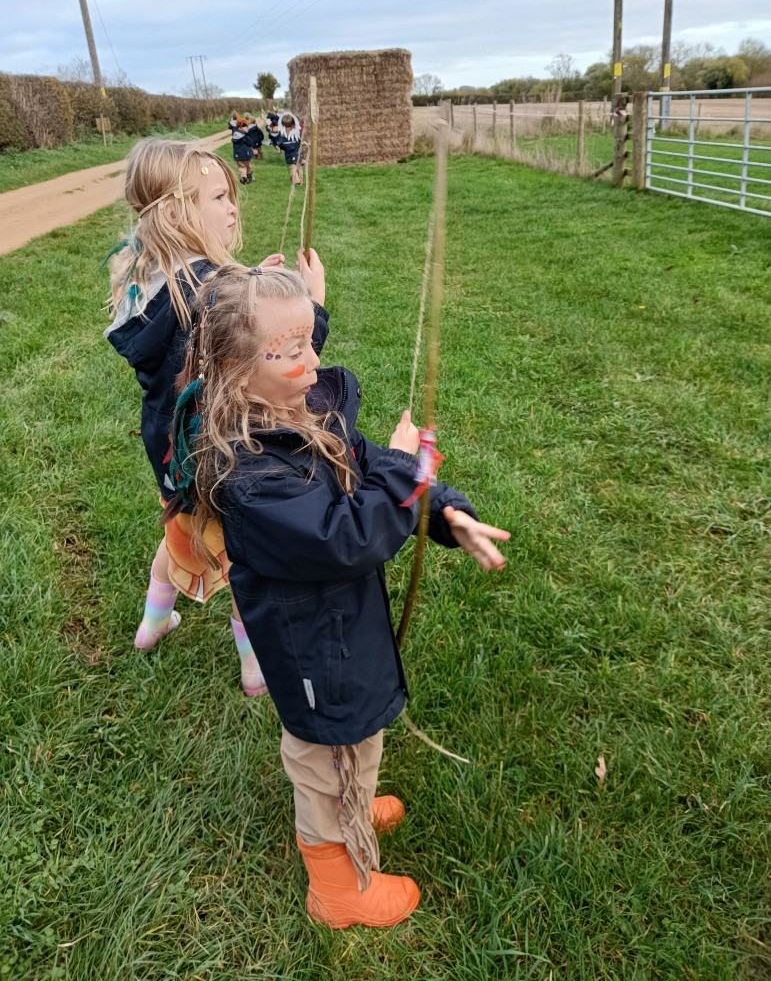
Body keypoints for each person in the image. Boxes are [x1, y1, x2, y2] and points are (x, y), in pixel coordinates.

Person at [170, 264, 510, 928]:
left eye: (309, 342)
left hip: (338, 632)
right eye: (292, 349)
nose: (313, 357)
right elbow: (342, 537)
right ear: (239, 369)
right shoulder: (248, 472)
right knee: (326, 757)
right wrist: (403, 482)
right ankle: (337, 887)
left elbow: (370, 464)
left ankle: (353, 804)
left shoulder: (301, 409)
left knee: (353, 747)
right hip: (312, 652)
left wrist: (439, 508)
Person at [104, 138, 328, 697]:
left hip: (172, 453)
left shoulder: (150, 277)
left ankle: (155, 620)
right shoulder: (218, 292)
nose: (234, 208)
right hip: (226, 449)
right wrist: (313, 307)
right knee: (244, 559)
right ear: (180, 212)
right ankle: (256, 667)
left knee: (180, 530)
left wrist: (248, 277)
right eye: (221, 197)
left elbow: (194, 312)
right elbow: (277, 360)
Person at [227, 110, 262, 184]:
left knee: (242, 167)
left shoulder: (235, 136)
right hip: (246, 155)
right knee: (249, 166)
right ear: (241, 128)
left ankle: (243, 177)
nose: (248, 129)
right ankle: (249, 177)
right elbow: (250, 143)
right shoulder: (245, 137)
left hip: (238, 155)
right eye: (246, 127)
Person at [277, 111, 303, 186]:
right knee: (297, 166)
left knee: (293, 166)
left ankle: (297, 180)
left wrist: (279, 148)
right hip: (292, 152)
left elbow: (280, 143)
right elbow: (281, 144)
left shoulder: (292, 132)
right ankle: (299, 181)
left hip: (293, 152)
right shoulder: (284, 133)